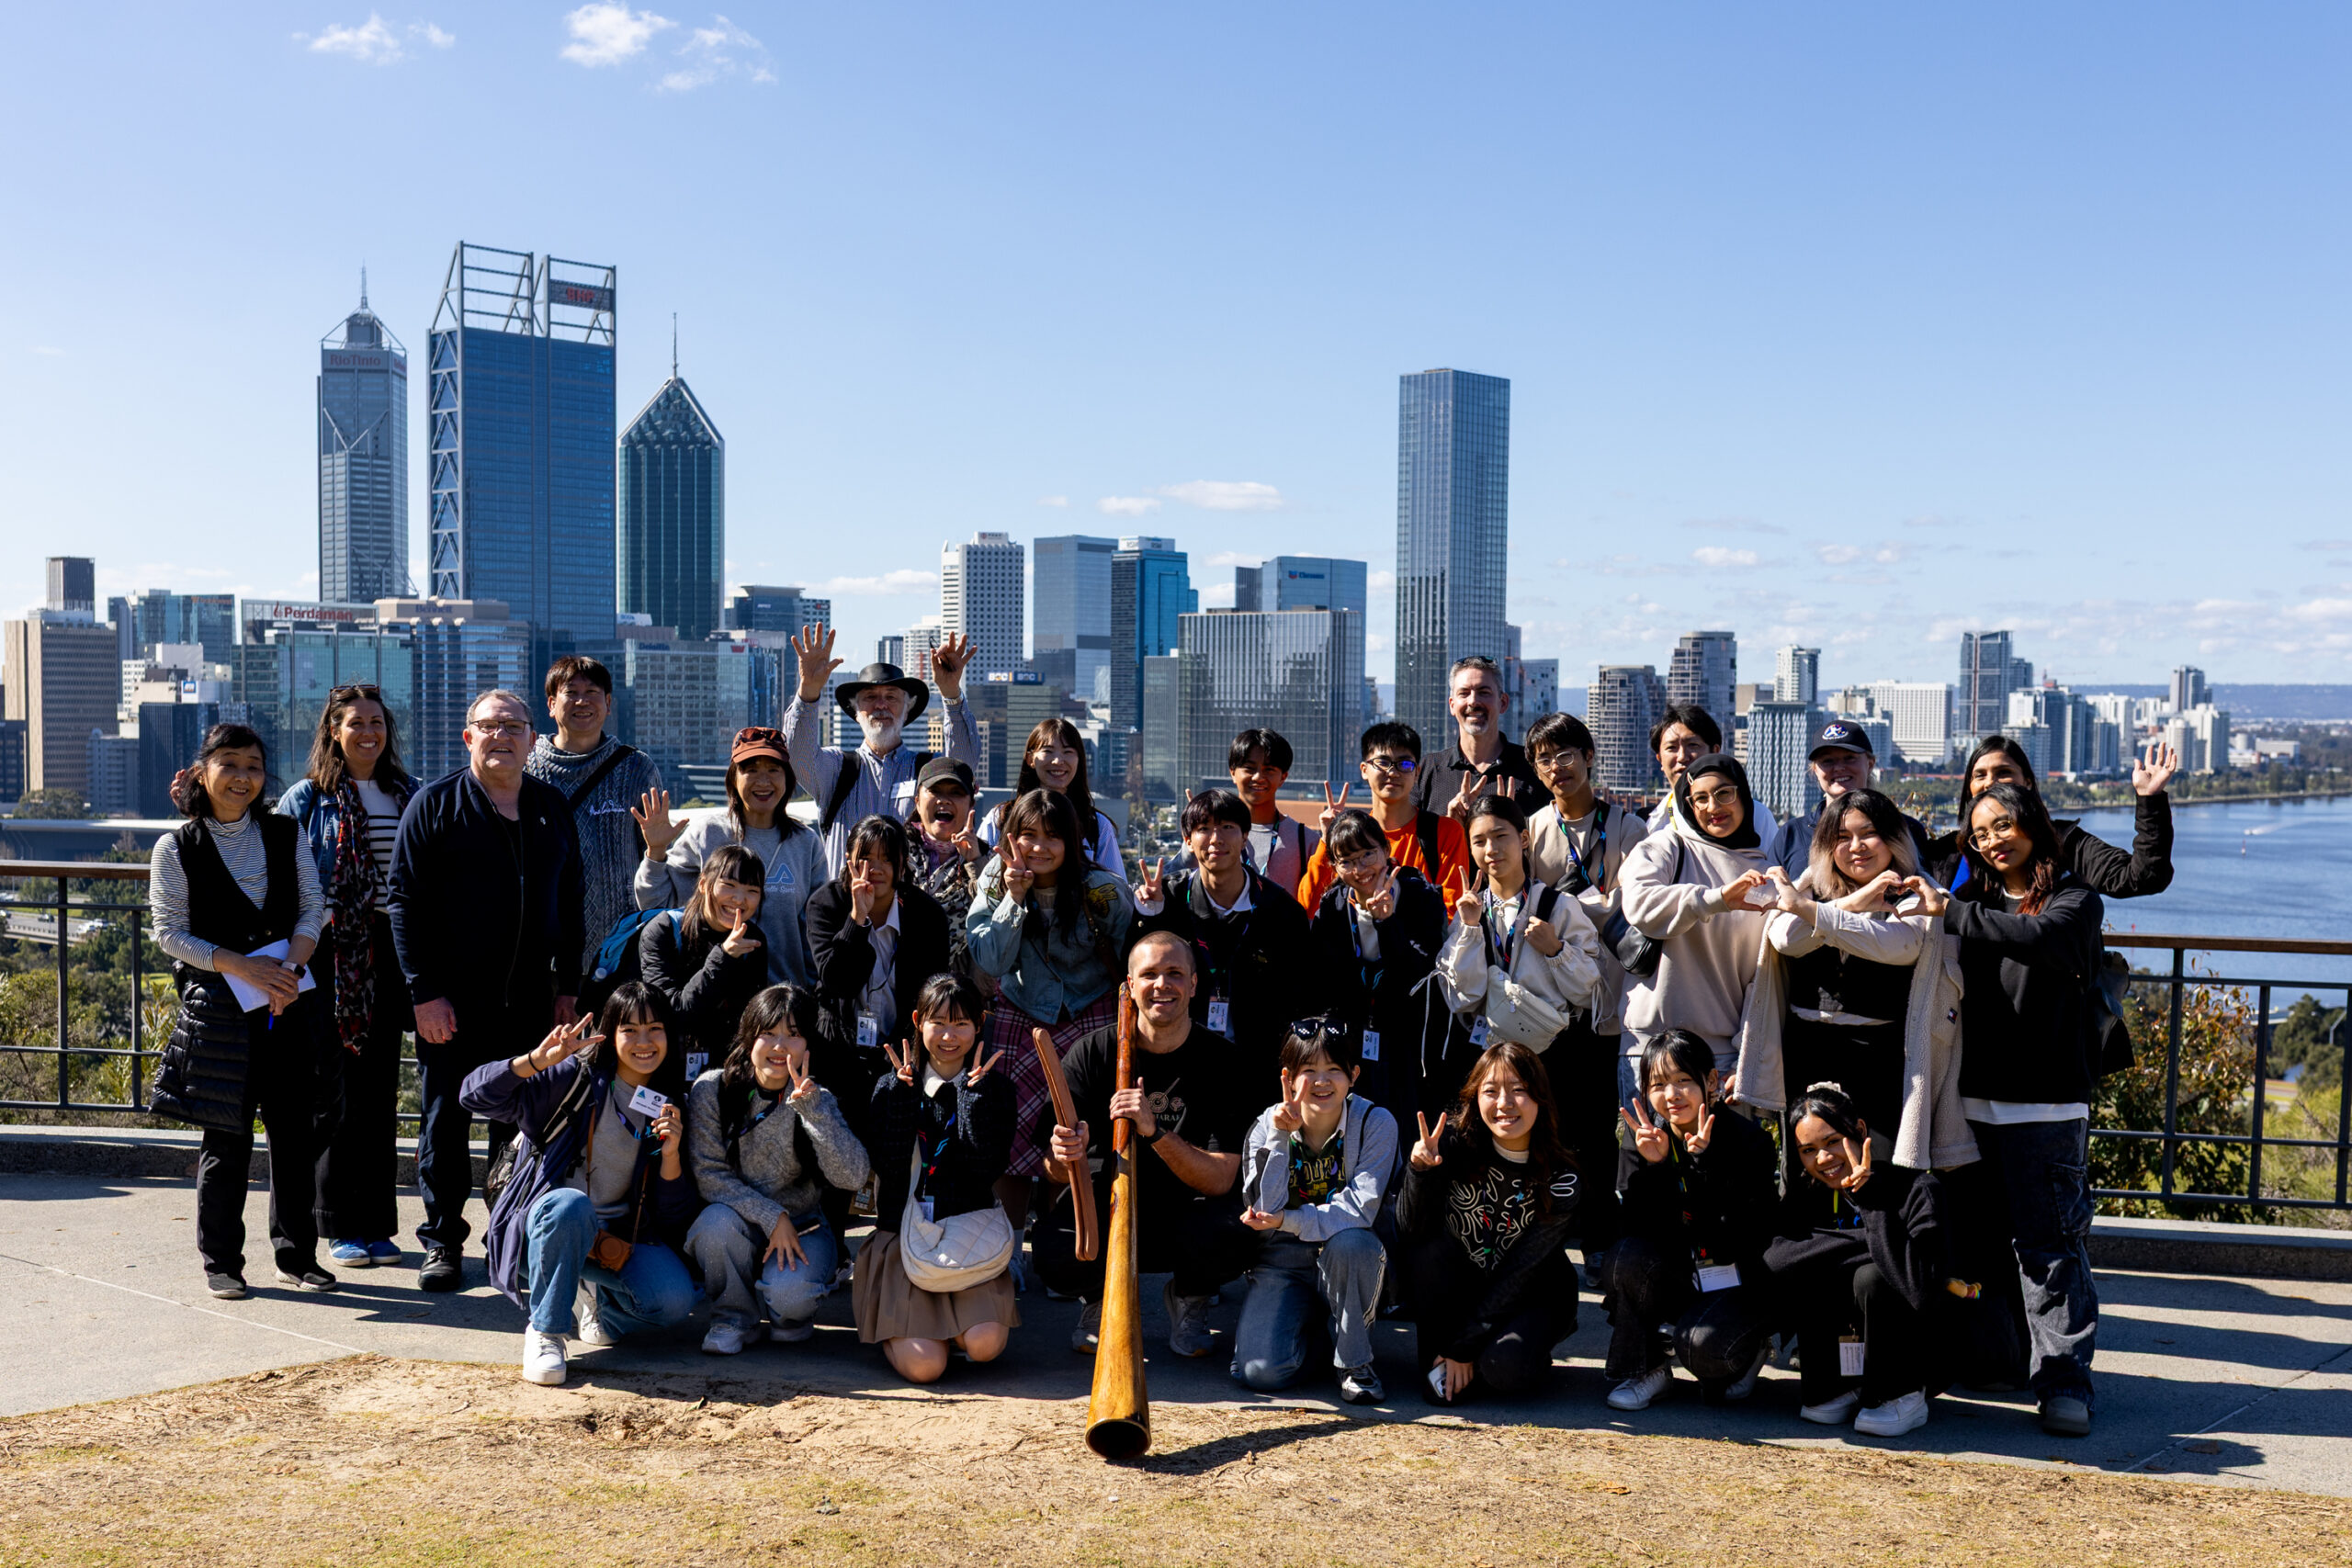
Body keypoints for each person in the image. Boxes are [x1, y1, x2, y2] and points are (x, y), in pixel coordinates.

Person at [388, 689, 583, 1293]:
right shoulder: (434, 804)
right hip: (451, 1002)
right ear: (468, 736)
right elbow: (403, 902)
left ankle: (509, 1239)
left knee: (520, 1124)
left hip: (529, 1000)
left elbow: (571, 901)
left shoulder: (550, 806)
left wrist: (568, 987)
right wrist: (423, 992)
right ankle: (443, 1241)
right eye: (489, 726)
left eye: (514, 726)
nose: (502, 736)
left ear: (532, 739)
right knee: (446, 1122)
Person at [148, 723, 334, 1300]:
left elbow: (313, 908)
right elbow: (169, 933)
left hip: (288, 1000)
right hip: (221, 1011)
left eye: (253, 765)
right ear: (201, 772)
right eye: (228, 763)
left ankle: (296, 1255)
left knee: (294, 1136)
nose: (242, 776)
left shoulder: (284, 831)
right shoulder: (176, 846)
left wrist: (289, 971)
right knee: (226, 1141)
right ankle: (222, 1262)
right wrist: (243, 967)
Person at [1945, 781, 2107, 1438]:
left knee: (2050, 1251)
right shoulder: (1974, 900)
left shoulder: (2074, 898)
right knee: (1979, 1248)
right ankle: (1995, 1363)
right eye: (1980, 833)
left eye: (2003, 825)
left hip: (2045, 1108)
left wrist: (1950, 914)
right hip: (1972, 1102)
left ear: (2034, 825)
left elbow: (2041, 937)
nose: (1993, 841)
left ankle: (2065, 1385)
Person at [460, 984, 701, 1387]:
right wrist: (535, 1062)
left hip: (614, 1241)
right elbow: (473, 1096)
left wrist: (672, 1155)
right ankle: (546, 1331)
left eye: (655, 1029)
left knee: (674, 1301)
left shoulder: (668, 1101)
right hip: (546, 1231)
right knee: (570, 1205)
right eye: (630, 1030)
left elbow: (672, 1215)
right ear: (609, 1033)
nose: (644, 1042)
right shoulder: (574, 1078)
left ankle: (595, 1302)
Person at [1035, 933, 1258, 1358]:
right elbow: (1050, 1169)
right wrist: (1066, 1156)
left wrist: (1154, 1133)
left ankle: (1190, 1295)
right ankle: (1099, 1300)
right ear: (1130, 985)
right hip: (1110, 1204)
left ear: (1194, 983)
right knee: (1054, 1246)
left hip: (1187, 1211)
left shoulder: (1225, 1063)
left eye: (1175, 973)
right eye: (1149, 974)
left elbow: (1221, 1178)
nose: (1162, 985)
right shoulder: (1091, 1053)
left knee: (1238, 1234)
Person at [1735, 789, 1975, 1169]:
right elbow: (1786, 939)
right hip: (1807, 1046)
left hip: (1879, 1054)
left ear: (1894, 838)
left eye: (1869, 834)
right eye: (1842, 837)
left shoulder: (1917, 891)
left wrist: (1811, 914)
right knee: (1807, 1166)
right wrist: (1854, 902)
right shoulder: (1811, 887)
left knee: (1876, 1168)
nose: (1856, 847)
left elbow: (1897, 944)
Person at [277, 683, 414, 1270]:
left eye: (377, 722)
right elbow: (272, 863)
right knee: (332, 1091)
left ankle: (378, 1223)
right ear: (333, 731)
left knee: (380, 1089)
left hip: (390, 949)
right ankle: (335, 1222)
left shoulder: (409, 794)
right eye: (355, 723)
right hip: (330, 949)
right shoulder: (308, 798)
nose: (368, 733)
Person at [1763, 1083, 1973, 1438]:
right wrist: (1878, 1239)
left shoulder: (1917, 1188)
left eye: (1832, 1142)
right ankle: (1843, 1385)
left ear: (1859, 1130)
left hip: (1924, 1351)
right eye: (1808, 1150)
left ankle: (1902, 1394)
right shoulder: (1810, 1193)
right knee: (1816, 1273)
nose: (1823, 1159)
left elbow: (1920, 1288)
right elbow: (1778, 1259)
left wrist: (1873, 1203)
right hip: (1845, 1351)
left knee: (1872, 1277)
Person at [967, 787, 1136, 1229]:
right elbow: (991, 961)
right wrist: (1014, 898)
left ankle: (1060, 1237)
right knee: (1009, 1136)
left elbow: (1129, 960)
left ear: (1071, 840)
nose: (1039, 847)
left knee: (1075, 1135)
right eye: (1028, 835)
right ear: (1010, 837)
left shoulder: (1102, 889)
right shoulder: (994, 878)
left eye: (1052, 836)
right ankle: (1007, 1243)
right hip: (1020, 1012)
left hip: (1090, 1014)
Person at [1522, 711, 1650, 1258]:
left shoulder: (1628, 828)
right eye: (1544, 759)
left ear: (1589, 756)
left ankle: (1599, 1236)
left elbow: (1637, 904)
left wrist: (1572, 905)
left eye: (1566, 754)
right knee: (1552, 1122)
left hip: (1610, 1000)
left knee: (1601, 1125)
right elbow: (1525, 906)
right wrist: (1594, 905)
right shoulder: (1533, 829)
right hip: (1552, 1002)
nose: (1557, 767)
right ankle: (1554, 1233)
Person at [684, 985, 870, 1355]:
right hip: (737, 1220)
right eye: (768, 1033)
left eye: (793, 1034)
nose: (780, 1046)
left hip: (804, 1226)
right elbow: (709, 1175)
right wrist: (772, 1217)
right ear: (748, 1037)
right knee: (713, 1225)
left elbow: (853, 1176)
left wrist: (813, 1111)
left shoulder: (818, 1098)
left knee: (790, 1301)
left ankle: (790, 1317)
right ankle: (733, 1318)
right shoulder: (713, 1090)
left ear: (808, 1045)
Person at [854, 973, 1020, 1383]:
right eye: (938, 1022)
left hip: (968, 1233)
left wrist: (972, 1102)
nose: (949, 1036)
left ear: (979, 1024)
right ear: (918, 1021)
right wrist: (903, 1102)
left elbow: (986, 1171)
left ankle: (950, 1330)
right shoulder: (890, 1086)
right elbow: (888, 1169)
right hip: (905, 1233)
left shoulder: (996, 1089)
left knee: (985, 1345)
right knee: (926, 1367)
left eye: (961, 1023)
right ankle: (917, 1332)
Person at [1397, 1041, 1582, 1404]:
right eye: (1491, 1091)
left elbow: (1520, 1272)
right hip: (1461, 1289)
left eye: (1519, 1090)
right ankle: (1468, 1360)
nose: (1504, 1103)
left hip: (1531, 1294)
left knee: (1504, 1368)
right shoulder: (1451, 1144)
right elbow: (1409, 1235)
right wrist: (1418, 1172)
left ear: (1540, 1097)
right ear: (1474, 1096)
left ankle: (1522, 1353)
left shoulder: (1563, 1175)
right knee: (1440, 1395)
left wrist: (1462, 1347)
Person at [1602, 1032, 1778, 1412]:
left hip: (1734, 1277)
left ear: (1711, 1081)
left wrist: (1704, 1165)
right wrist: (1657, 1167)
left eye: (1683, 1080)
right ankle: (1648, 1369)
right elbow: (1632, 1229)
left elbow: (1743, 1236)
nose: (1672, 1094)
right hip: (1679, 1270)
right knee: (1624, 1257)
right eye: (1658, 1084)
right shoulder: (1643, 1136)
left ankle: (1750, 1348)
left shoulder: (1749, 1142)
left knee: (1703, 1351)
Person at [1232, 1017, 1398, 1404]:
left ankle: (1354, 1363)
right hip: (1283, 1258)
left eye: (1334, 1070)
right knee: (1260, 1373)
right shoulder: (1265, 1125)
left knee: (1353, 1242)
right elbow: (1262, 1209)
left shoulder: (1376, 1123)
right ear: (1289, 1078)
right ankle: (1325, 1343)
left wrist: (1288, 1220)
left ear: (1353, 1076)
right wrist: (1279, 1136)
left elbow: (1359, 1210)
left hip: (1348, 1255)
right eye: (1309, 1070)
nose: (1322, 1082)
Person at [1617, 753, 1775, 1104]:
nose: (1712, 807)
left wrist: (1743, 1058)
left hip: (1720, 1056)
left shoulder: (1766, 875)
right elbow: (1639, 905)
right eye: (1699, 798)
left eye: (1724, 793)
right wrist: (1715, 899)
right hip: (1649, 1047)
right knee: (1646, 1142)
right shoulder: (1667, 846)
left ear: (1744, 795)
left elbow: (1762, 980)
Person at [1433, 795, 1602, 1115]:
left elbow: (1588, 990)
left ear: (1524, 839)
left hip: (1552, 1058)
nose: (1491, 849)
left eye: (1501, 836)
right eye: (1479, 841)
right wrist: (1469, 930)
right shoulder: (1470, 911)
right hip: (1488, 1060)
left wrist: (1557, 950)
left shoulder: (1559, 906)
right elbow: (1463, 997)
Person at [1134, 788, 1317, 1076]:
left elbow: (1302, 993)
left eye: (1228, 827)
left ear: (1245, 837)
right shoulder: (1168, 898)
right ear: (1188, 841)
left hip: (1260, 1063)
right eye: (1204, 829)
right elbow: (1135, 973)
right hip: (1182, 1059)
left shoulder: (1280, 910)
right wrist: (1150, 914)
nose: (1216, 839)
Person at [633, 728, 826, 988]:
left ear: (788, 779)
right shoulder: (708, 833)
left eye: (774, 770)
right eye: (751, 770)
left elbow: (814, 931)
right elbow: (656, 905)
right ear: (734, 777)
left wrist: (813, 994)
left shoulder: (806, 843)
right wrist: (656, 852)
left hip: (783, 999)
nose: (763, 781)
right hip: (712, 994)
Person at [784, 628, 980, 873]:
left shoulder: (927, 771)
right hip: (847, 896)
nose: (881, 705)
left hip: (912, 897)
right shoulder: (837, 769)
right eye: (870, 697)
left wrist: (951, 693)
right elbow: (797, 756)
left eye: (891, 697)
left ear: (907, 710)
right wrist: (808, 691)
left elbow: (964, 766)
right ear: (856, 711)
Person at [1303, 807, 1452, 1128]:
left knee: (1406, 1132)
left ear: (1386, 849)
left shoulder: (1421, 897)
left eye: (1368, 854)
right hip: (1353, 1047)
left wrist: (1387, 922)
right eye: (1346, 861)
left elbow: (1418, 974)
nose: (1359, 869)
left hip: (1410, 1046)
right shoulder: (1333, 906)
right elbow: (1322, 982)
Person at [807, 813, 954, 1127]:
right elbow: (837, 983)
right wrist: (857, 920)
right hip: (837, 1049)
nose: (875, 869)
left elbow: (933, 997)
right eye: (865, 858)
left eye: (887, 859)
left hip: (901, 1054)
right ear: (848, 860)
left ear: (902, 866)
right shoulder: (826, 905)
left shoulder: (927, 916)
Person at [525, 656, 665, 982]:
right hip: (542, 951)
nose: (582, 701)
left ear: (608, 703)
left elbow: (653, 857)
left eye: (592, 692)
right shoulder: (526, 767)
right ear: (551, 704)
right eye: (571, 692)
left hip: (621, 950)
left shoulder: (636, 768)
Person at [1925, 734, 2178, 900]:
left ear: (2027, 782)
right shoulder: (1949, 853)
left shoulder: (2066, 844)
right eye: (1979, 775)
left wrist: (2150, 798)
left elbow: (2143, 878)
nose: (1990, 782)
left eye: (2003, 772)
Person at [1294, 722, 1472, 911]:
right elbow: (1308, 907)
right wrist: (1327, 841)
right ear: (1364, 770)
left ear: (1417, 773)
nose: (1393, 772)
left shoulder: (1444, 833)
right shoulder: (1351, 837)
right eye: (1383, 763)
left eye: (1404, 764)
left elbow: (1451, 913)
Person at [639, 845, 771, 1084]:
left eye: (752, 891)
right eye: (729, 885)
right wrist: (725, 956)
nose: (739, 899)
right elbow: (672, 1014)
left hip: (723, 1073)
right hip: (660, 1071)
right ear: (703, 884)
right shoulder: (664, 930)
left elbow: (749, 1022)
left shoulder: (753, 940)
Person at [978, 717, 1124, 874]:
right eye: (1048, 751)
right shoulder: (1001, 817)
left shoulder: (1097, 826)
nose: (1058, 761)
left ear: (1079, 760)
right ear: (1030, 759)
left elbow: (1116, 885)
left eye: (1068, 752)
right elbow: (982, 881)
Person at [1408, 656, 1546, 821]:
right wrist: (1449, 828)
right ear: (1452, 705)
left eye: (1484, 693)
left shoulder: (1534, 768)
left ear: (1503, 703)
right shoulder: (1426, 770)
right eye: (1464, 693)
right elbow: (1404, 833)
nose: (1473, 701)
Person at [904, 756, 989, 980]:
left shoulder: (988, 860)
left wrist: (975, 863)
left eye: (956, 793)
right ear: (917, 802)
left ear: (971, 805)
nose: (944, 800)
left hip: (958, 988)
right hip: (894, 981)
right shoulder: (894, 852)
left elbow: (995, 915)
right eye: (935, 791)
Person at [1645, 705, 1777, 843]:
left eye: (1693, 745)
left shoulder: (1757, 817)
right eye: (1671, 748)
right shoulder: (1650, 824)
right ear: (1660, 759)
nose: (1682, 757)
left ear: (1715, 752)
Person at [1227, 728, 1317, 897]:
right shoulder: (1214, 835)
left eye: (1269, 770)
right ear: (1233, 772)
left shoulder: (1306, 840)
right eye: (1249, 768)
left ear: (1283, 777)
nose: (1258, 777)